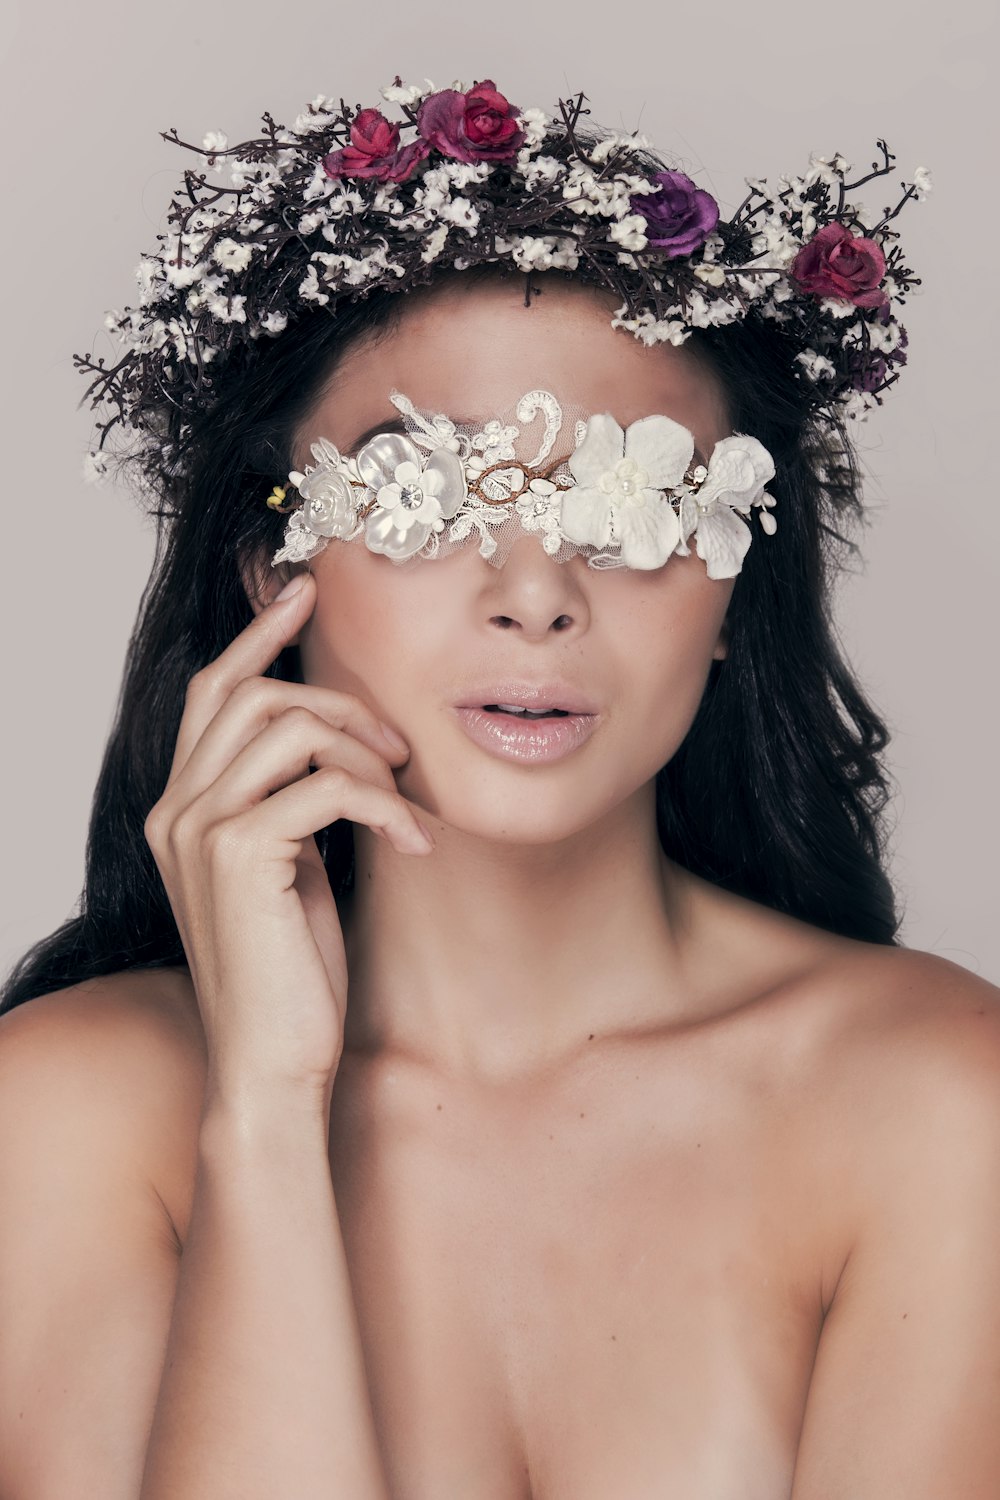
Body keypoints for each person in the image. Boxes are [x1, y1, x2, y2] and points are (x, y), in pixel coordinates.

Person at [0, 75, 997, 1500]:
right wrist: (268, 1122)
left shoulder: (940, 1098)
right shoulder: (67, 1113)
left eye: (633, 506)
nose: (537, 598)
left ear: (730, 594)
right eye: (429, 497)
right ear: (277, 571)